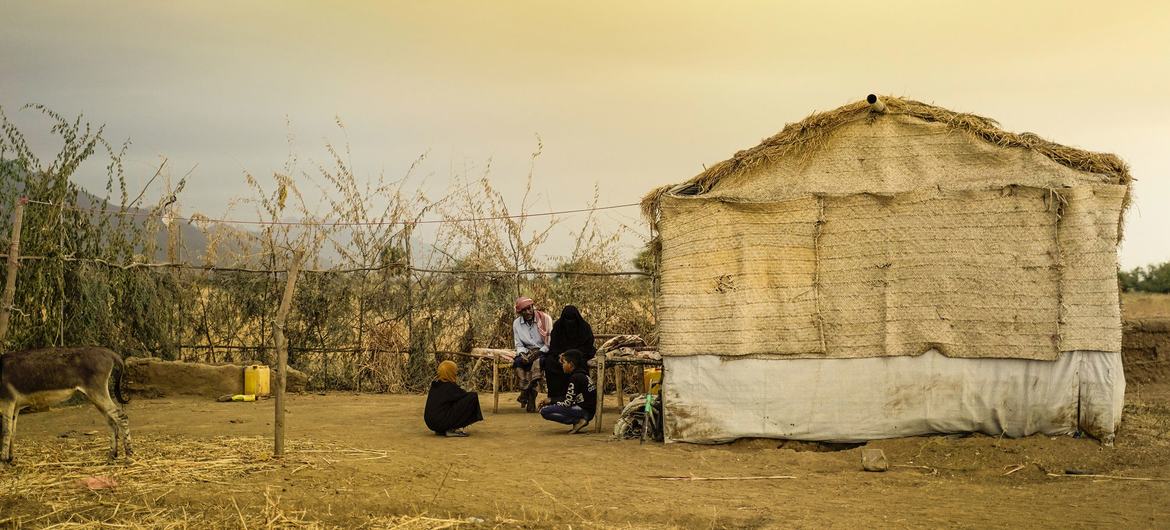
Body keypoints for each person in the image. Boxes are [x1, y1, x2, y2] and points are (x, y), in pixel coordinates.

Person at [542, 305, 595, 402]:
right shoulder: (558, 327)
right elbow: (554, 345)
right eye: (567, 320)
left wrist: (571, 355)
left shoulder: (584, 327)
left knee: (580, 364)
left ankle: (579, 397)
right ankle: (556, 397)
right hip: (561, 355)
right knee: (549, 362)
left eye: (572, 320)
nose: (570, 323)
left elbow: (587, 346)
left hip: (579, 355)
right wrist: (561, 355)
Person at [539, 349, 596, 434]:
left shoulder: (575, 378)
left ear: (571, 365)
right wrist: (551, 400)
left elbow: (567, 403)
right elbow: (571, 397)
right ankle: (580, 419)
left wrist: (553, 404)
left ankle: (578, 421)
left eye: (564, 363)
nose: (562, 365)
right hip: (589, 411)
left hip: (584, 411)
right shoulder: (583, 375)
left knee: (544, 411)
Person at [512, 296, 552, 412]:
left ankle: (529, 397)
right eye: (524, 310)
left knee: (538, 362)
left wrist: (537, 354)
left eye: (529, 308)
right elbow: (518, 345)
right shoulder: (517, 324)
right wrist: (523, 355)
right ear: (520, 313)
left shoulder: (545, 319)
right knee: (518, 362)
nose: (528, 312)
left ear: (533, 307)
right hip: (527, 351)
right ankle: (525, 388)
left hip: (543, 350)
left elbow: (549, 344)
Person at [423, 360, 483, 437]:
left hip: (431, 424)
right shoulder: (450, 387)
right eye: (454, 371)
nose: (456, 373)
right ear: (450, 372)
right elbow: (465, 396)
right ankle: (451, 429)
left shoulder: (435, 385)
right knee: (473, 397)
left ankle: (442, 430)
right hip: (441, 422)